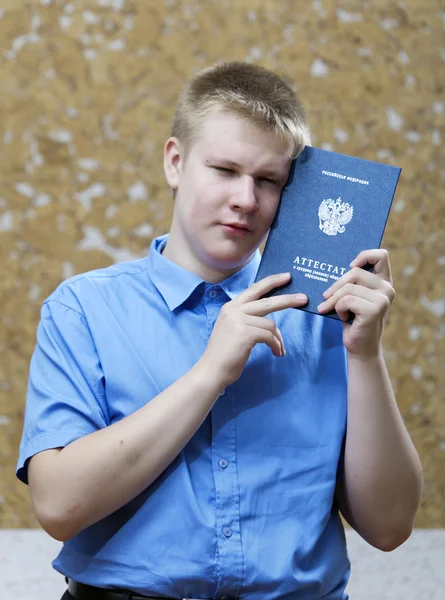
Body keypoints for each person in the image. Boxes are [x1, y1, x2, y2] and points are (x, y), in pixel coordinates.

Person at [17, 61, 423, 600]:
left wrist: (366, 355)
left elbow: (390, 527)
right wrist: (210, 373)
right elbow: (58, 507)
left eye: (269, 180)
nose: (246, 200)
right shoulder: (82, 309)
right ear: (176, 162)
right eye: (225, 170)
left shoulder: (325, 314)